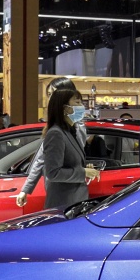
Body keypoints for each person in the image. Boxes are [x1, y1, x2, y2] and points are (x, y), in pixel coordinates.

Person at [16, 83, 100, 214]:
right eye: (77, 102)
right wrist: (83, 172)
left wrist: (84, 168)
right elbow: (51, 170)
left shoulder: (72, 130)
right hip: (63, 202)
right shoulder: (56, 133)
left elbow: (73, 160)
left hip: (74, 200)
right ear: (65, 108)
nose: (82, 107)